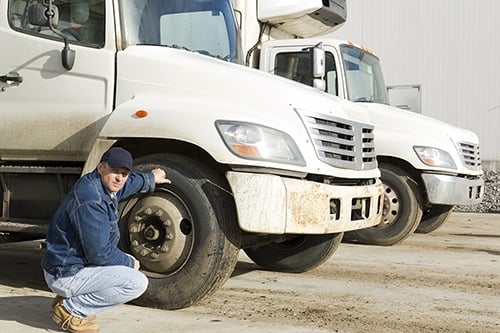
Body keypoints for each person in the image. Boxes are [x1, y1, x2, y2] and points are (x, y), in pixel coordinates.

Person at [41, 147, 171, 333]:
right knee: (136, 282)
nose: (119, 178)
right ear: (101, 167)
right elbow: (99, 253)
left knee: (122, 268)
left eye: (124, 173)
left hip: (67, 266)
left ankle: (69, 299)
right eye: (115, 172)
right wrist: (129, 261)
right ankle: (70, 310)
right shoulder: (91, 200)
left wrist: (150, 178)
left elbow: (125, 185)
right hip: (65, 273)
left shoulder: (99, 184)